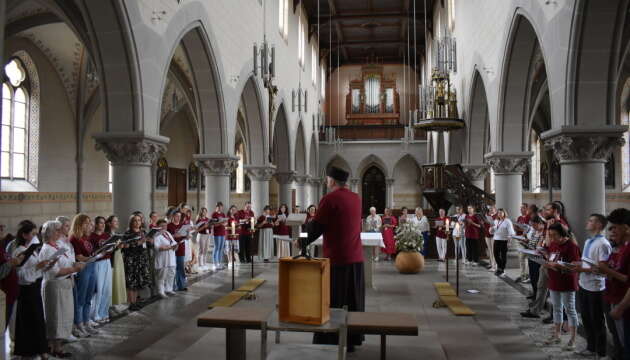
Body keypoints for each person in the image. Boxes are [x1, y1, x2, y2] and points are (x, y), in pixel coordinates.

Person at [305, 166, 364, 351]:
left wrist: (302, 240)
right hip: (356, 258)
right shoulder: (356, 198)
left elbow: (317, 227)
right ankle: (352, 341)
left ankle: (329, 342)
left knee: (332, 301)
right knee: (353, 302)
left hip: (337, 260)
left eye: (327, 178)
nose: (325, 181)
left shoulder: (329, 199)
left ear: (331, 181)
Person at [40, 220, 84, 358]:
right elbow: (54, 272)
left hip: (64, 285)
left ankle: (57, 347)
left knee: (64, 316)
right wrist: (74, 268)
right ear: (50, 233)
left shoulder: (57, 246)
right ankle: (54, 347)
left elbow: (65, 262)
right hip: (55, 286)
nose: (60, 232)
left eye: (60, 230)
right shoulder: (47, 249)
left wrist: (74, 264)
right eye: (57, 230)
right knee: (55, 317)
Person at [573, 214, 610, 358]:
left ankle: (600, 352)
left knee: (597, 320)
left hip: (596, 287)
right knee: (587, 318)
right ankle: (591, 347)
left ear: (599, 225)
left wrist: (581, 269)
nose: (587, 222)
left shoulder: (603, 244)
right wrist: (577, 265)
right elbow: (587, 262)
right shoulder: (589, 241)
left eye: (591, 220)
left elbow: (602, 269)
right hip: (584, 284)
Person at [12, 220, 50, 359]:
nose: (36, 237)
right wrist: (37, 267)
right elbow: (21, 275)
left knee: (38, 319)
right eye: (33, 234)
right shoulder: (19, 251)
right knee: (29, 321)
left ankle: (41, 349)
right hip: (26, 290)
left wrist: (46, 265)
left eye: (36, 234)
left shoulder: (33, 251)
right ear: (25, 235)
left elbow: (37, 269)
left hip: (35, 288)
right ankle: (29, 351)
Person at [597, 208, 630, 360]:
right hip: (613, 297)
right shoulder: (620, 247)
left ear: (626, 227)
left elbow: (626, 279)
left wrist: (620, 307)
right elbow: (613, 270)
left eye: (614, 227)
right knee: (620, 341)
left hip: (623, 303)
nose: (611, 231)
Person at [543, 222, 580, 350]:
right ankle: (557, 334)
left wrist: (558, 265)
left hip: (567, 282)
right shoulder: (553, 244)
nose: (552, 239)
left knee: (570, 309)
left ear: (562, 234)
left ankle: (573, 339)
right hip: (554, 280)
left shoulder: (571, 246)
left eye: (554, 235)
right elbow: (551, 257)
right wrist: (547, 261)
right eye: (550, 235)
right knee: (556, 308)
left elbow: (575, 266)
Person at [70, 214, 100, 335]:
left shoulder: (87, 238)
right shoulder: (74, 238)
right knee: (81, 298)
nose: (89, 225)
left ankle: (87, 321)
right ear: (79, 224)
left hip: (91, 266)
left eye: (89, 222)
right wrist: (92, 258)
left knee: (89, 296)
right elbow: (78, 257)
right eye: (86, 223)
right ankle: (79, 323)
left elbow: (91, 252)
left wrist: (97, 254)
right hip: (83, 268)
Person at [122, 214, 151, 311]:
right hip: (131, 260)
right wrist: (139, 242)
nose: (137, 222)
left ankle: (135, 301)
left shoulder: (142, 232)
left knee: (138, 282)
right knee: (131, 283)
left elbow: (146, 245)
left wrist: (149, 240)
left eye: (139, 220)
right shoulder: (128, 233)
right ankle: (131, 303)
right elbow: (125, 246)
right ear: (131, 222)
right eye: (135, 220)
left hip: (141, 259)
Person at [89, 216, 112, 324]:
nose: (103, 225)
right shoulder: (91, 237)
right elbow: (91, 252)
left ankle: (104, 313)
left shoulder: (107, 235)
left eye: (104, 223)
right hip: (98, 263)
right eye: (100, 223)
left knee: (107, 289)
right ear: (96, 224)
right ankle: (95, 314)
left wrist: (112, 247)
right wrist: (99, 252)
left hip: (107, 262)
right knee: (99, 289)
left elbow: (110, 250)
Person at [105, 215, 127, 313]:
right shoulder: (106, 235)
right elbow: (107, 250)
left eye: (117, 221)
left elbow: (119, 247)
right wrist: (117, 246)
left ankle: (117, 303)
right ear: (109, 223)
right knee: (113, 282)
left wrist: (122, 245)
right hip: (112, 260)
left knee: (118, 281)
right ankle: (110, 305)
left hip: (118, 259)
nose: (117, 223)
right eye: (115, 221)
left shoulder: (117, 234)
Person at [153, 219, 177, 299]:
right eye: (162, 226)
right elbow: (157, 248)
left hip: (171, 257)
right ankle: (161, 291)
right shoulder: (156, 235)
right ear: (158, 227)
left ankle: (168, 289)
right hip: (163, 259)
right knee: (162, 276)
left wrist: (175, 246)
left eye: (165, 225)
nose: (164, 227)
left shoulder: (168, 233)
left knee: (171, 274)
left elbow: (173, 242)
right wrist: (169, 247)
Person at [489, 208, 515, 277]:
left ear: (504, 213)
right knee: (495, 254)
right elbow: (491, 232)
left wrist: (509, 242)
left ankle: (502, 270)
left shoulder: (507, 221)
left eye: (501, 213)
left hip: (504, 240)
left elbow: (511, 232)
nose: (499, 214)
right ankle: (500, 268)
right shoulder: (496, 221)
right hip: (496, 239)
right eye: (499, 213)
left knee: (503, 256)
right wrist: (491, 228)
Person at [167, 212, 188, 291]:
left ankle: (181, 285)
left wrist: (188, 235)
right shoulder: (169, 226)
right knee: (173, 268)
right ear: (173, 216)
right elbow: (166, 237)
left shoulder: (183, 225)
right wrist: (174, 236)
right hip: (172, 248)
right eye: (176, 216)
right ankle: (172, 286)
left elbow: (186, 236)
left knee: (181, 267)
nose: (178, 217)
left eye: (179, 216)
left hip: (181, 247)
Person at [515, 203, 531, 283]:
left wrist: (521, 229)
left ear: (527, 209)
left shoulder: (529, 218)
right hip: (519, 238)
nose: (521, 209)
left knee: (524, 258)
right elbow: (517, 228)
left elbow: (528, 229)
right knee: (521, 259)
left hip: (526, 240)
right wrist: (516, 228)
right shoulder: (519, 217)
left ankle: (525, 275)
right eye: (521, 208)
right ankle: (522, 275)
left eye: (523, 208)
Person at [212, 202, 228, 270]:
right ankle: (215, 263)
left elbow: (225, 223)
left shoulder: (223, 214)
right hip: (217, 233)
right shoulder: (214, 214)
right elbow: (214, 224)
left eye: (221, 207)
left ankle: (219, 262)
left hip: (222, 232)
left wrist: (225, 223)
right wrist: (220, 223)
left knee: (221, 248)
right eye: (219, 207)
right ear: (217, 207)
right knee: (217, 247)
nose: (220, 208)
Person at [483, 205, 498, 272]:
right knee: (490, 250)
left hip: (494, 235)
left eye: (492, 208)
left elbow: (497, 225)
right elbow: (484, 225)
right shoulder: (486, 216)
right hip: (487, 234)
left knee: (494, 250)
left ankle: (495, 266)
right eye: (490, 209)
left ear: (495, 209)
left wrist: (492, 224)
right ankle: (492, 265)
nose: (491, 210)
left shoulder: (496, 216)